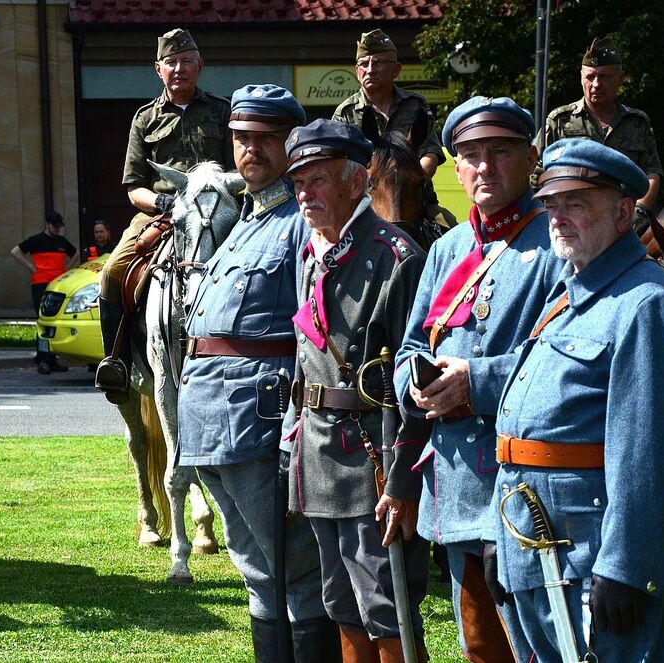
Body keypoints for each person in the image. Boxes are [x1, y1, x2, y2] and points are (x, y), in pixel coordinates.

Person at [486, 138, 664, 662]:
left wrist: (626, 566)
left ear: (624, 213)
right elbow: (522, 433)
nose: (558, 219)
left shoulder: (647, 304)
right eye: (552, 205)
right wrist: (500, 532)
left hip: (592, 557)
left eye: (576, 204)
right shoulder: (568, 297)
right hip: (538, 549)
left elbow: (649, 455)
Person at [390, 96, 564, 662]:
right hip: (461, 481)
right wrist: (414, 385)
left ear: (530, 157)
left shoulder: (557, 246)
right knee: (479, 642)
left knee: (537, 641)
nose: (484, 166)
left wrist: (478, 381)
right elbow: (412, 344)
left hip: (529, 480)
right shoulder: (446, 249)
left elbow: (566, 357)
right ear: (456, 169)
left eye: (500, 152)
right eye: (470, 155)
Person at [177, 85, 339, 663]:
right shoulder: (244, 220)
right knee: (253, 566)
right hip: (211, 417)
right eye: (242, 138)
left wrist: (298, 425)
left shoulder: (300, 224)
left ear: (291, 145)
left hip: (260, 416)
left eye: (266, 139)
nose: (251, 150)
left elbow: (312, 335)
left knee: (294, 567)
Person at [281, 118, 428, 661]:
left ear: (356, 180)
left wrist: (402, 479)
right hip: (317, 453)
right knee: (340, 603)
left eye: (317, 180)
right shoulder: (312, 251)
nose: (304, 194)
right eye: (298, 183)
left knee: (386, 606)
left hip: (374, 461)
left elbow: (412, 384)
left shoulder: (396, 257)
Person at [95, 28, 234, 402]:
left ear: (200, 66)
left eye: (186, 61)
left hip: (215, 211)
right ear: (159, 70)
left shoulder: (223, 112)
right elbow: (133, 186)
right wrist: (163, 205)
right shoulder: (144, 119)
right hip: (161, 213)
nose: (179, 68)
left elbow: (239, 173)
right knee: (111, 274)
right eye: (171, 62)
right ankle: (116, 365)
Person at [538, 37, 663, 233]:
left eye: (604, 77)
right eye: (590, 77)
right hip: (571, 222)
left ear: (621, 78)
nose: (596, 84)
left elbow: (652, 175)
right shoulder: (559, 120)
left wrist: (638, 211)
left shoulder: (637, 123)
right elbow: (535, 172)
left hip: (626, 223)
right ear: (581, 78)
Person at [332, 30, 444, 179]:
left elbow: (430, 152)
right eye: (364, 64)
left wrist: (412, 183)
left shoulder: (415, 105)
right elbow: (337, 161)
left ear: (396, 70)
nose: (370, 70)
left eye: (378, 62)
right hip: (364, 196)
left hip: (413, 195)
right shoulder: (345, 112)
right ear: (357, 71)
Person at [11, 211, 77, 374]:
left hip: (59, 286)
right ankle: (43, 359)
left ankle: (51, 359)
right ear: (47, 224)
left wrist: (67, 270)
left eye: (59, 227)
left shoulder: (62, 241)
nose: (57, 230)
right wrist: (31, 268)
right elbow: (15, 251)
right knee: (43, 321)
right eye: (54, 226)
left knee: (54, 322)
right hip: (41, 285)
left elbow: (75, 253)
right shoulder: (36, 240)